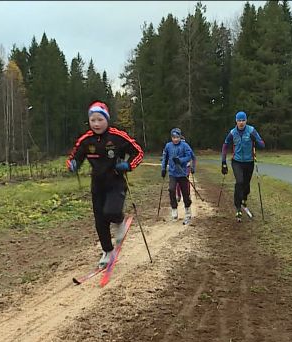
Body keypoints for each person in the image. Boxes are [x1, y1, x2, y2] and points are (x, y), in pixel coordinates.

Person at [66, 101, 144, 268]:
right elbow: (75, 157)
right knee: (100, 221)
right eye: (93, 120)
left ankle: (120, 221)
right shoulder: (86, 140)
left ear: (107, 119)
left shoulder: (117, 136)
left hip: (116, 182)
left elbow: (138, 152)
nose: (96, 123)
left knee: (112, 211)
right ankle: (107, 252)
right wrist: (72, 165)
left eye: (100, 119)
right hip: (98, 185)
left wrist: (128, 165)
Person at [221, 111, 265, 221]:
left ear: (246, 121)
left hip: (249, 162)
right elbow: (225, 145)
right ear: (236, 121)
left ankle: (244, 199)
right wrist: (223, 162)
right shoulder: (232, 133)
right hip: (237, 162)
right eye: (239, 120)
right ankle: (238, 207)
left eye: (243, 120)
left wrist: (256, 140)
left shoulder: (251, 130)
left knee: (246, 185)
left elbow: (262, 144)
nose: (241, 123)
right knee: (239, 182)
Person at [161, 128, 196, 221]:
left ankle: (188, 210)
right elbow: (165, 157)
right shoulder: (168, 146)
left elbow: (189, 156)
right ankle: (174, 209)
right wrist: (163, 169)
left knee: (185, 193)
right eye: (173, 137)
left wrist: (180, 160)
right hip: (172, 173)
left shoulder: (185, 145)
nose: (175, 139)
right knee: (171, 189)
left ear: (180, 137)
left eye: (177, 137)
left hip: (183, 173)